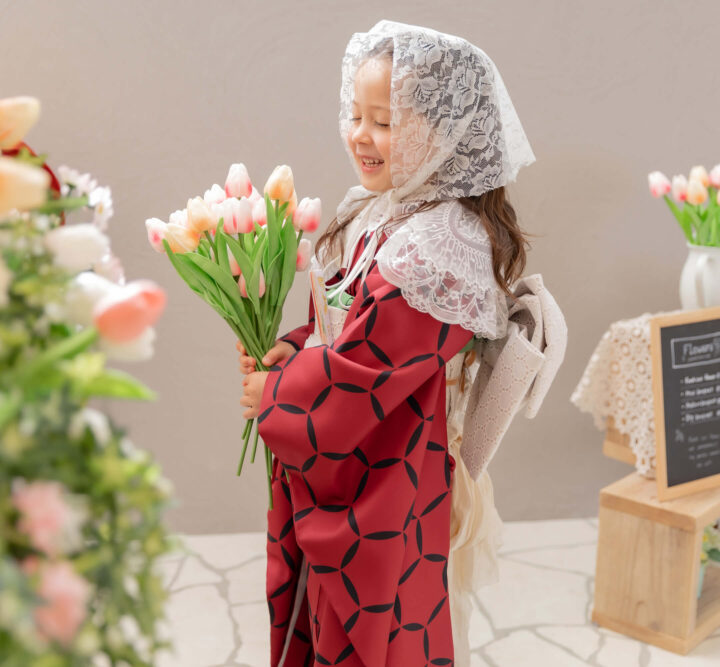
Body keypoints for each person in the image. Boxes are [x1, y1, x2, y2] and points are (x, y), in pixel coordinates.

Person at [237, 20, 534, 666]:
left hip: (402, 469)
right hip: (377, 450)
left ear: (443, 133)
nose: (360, 136)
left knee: (387, 629)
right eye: (355, 115)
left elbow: (371, 367)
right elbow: (350, 320)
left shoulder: (440, 245)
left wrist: (278, 396)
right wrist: (295, 349)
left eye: (385, 121)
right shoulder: (385, 211)